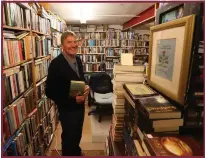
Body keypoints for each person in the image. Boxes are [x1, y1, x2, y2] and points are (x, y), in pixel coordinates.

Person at [45, 31, 90, 156]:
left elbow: (81, 78)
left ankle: (76, 151)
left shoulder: (78, 60)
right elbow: (50, 92)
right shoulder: (56, 64)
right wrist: (73, 100)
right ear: (62, 46)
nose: (73, 45)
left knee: (77, 134)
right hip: (67, 109)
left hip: (80, 107)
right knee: (69, 137)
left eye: (75, 41)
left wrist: (86, 86)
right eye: (69, 42)